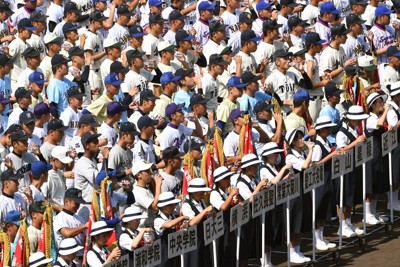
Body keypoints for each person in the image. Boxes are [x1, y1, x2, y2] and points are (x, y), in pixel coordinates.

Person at [335, 105, 368, 236]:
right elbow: (341, 150)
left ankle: (348, 223)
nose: (360, 121)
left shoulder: (354, 130)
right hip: (343, 170)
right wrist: (357, 142)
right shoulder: (341, 132)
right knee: (342, 198)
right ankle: (342, 225)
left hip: (353, 167)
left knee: (350, 197)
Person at [285, 128, 314, 263]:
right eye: (300, 138)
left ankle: (297, 250)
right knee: (294, 222)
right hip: (294, 193)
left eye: (302, 137)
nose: (303, 140)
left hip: (303, 189)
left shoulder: (301, 153)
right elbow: (304, 166)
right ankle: (291, 252)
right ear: (293, 142)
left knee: (300, 222)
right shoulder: (290, 156)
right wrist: (311, 151)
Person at [312, 116, 341, 250]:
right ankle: (317, 239)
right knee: (319, 209)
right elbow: (315, 165)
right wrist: (331, 155)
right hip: (320, 181)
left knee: (325, 209)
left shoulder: (325, 142)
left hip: (328, 178)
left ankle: (321, 237)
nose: (330, 129)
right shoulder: (317, 146)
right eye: (327, 128)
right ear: (321, 130)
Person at [235, 153, 267, 266]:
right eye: (254, 166)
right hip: (245, 220)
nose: (256, 168)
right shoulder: (241, 183)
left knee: (249, 249)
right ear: (248, 167)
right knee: (243, 250)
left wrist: (263, 188)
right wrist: (259, 187)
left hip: (253, 217)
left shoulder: (253, 179)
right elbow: (250, 199)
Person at [365, 93, 390, 224]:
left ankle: (373, 212)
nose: (382, 104)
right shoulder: (370, 119)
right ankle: (367, 214)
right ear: (373, 105)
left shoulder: (379, 116)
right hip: (371, 156)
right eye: (380, 102)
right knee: (370, 184)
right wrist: (386, 111)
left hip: (379, 154)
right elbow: (379, 124)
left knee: (377, 184)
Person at [209, 166, 238, 267]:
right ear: (220, 181)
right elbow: (223, 207)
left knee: (230, 251)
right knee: (222, 253)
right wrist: (232, 195)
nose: (229, 180)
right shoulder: (214, 193)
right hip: (219, 229)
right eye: (226, 178)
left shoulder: (225, 191)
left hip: (228, 225)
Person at [182, 178, 213, 267]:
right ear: (194, 192)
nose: (203, 194)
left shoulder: (202, 201)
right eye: (201, 192)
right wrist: (205, 211)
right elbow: (191, 222)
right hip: (193, 240)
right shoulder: (186, 205)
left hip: (203, 237)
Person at [54, 188, 89, 266]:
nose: (78, 206)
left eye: (79, 203)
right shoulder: (60, 217)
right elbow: (67, 233)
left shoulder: (79, 218)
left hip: (82, 258)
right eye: (76, 203)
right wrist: (84, 226)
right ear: (67, 201)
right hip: (68, 259)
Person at [154, 191, 188, 267]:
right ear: (163, 207)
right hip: (163, 257)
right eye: (171, 205)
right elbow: (168, 224)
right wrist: (182, 217)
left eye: (174, 205)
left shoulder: (172, 216)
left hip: (174, 253)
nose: (173, 207)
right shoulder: (158, 220)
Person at [387, 81, 400, 211]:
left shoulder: (396, 107)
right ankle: (392, 202)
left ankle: (395, 200)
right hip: (394, 145)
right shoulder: (391, 109)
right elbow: (393, 127)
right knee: (394, 174)